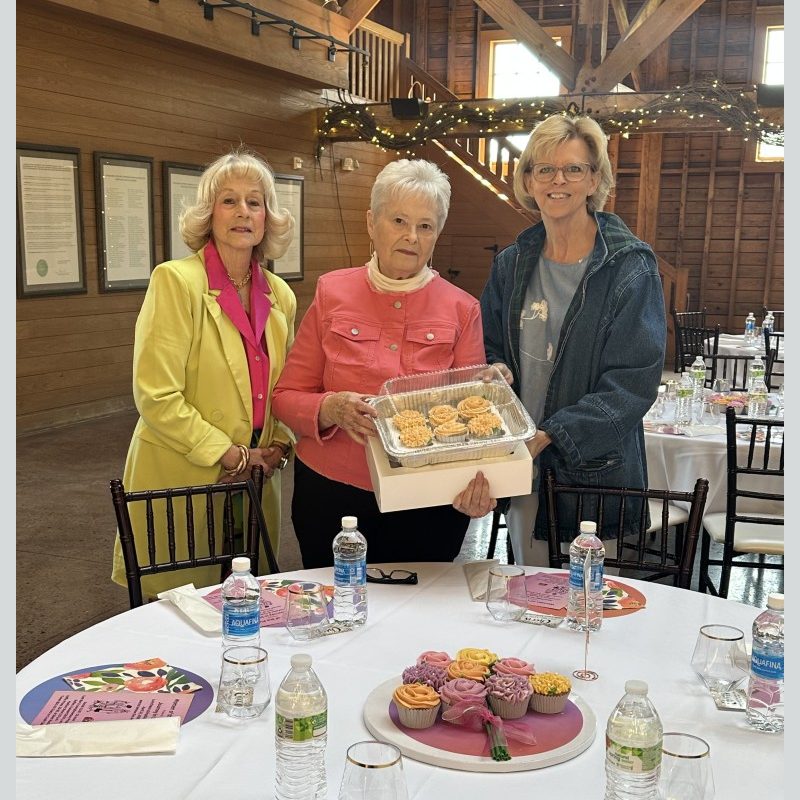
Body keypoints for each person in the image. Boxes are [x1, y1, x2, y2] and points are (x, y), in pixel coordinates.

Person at [272, 159, 494, 568]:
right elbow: (286, 397)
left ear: (436, 234)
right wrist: (329, 407)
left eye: (425, 226)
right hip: (332, 495)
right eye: (399, 220)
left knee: (416, 622)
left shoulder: (463, 309)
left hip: (427, 499)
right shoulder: (332, 292)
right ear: (372, 223)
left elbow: (471, 420)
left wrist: (478, 486)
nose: (411, 236)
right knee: (337, 613)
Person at [480, 113, 666, 565]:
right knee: (527, 593)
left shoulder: (628, 267)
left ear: (594, 179)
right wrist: (496, 368)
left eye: (573, 169)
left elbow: (631, 384)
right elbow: (487, 346)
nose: (556, 180)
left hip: (593, 475)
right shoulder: (513, 263)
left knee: (587, 611)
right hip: (523, 464)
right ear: (528, 179)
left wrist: (552, 434)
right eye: (544, 169)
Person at [111, 148, 297, 596]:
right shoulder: (175, 281)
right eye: (229, 200)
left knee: (246, 611)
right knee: (179, 615)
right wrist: (228, 453)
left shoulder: (280, 295)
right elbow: (157, 395)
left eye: (255, 202)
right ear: (208, 213)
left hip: (255, 479)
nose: (243, 212)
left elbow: (289, 386)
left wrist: (279, 446)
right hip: (182, 477)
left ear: (268, 218)